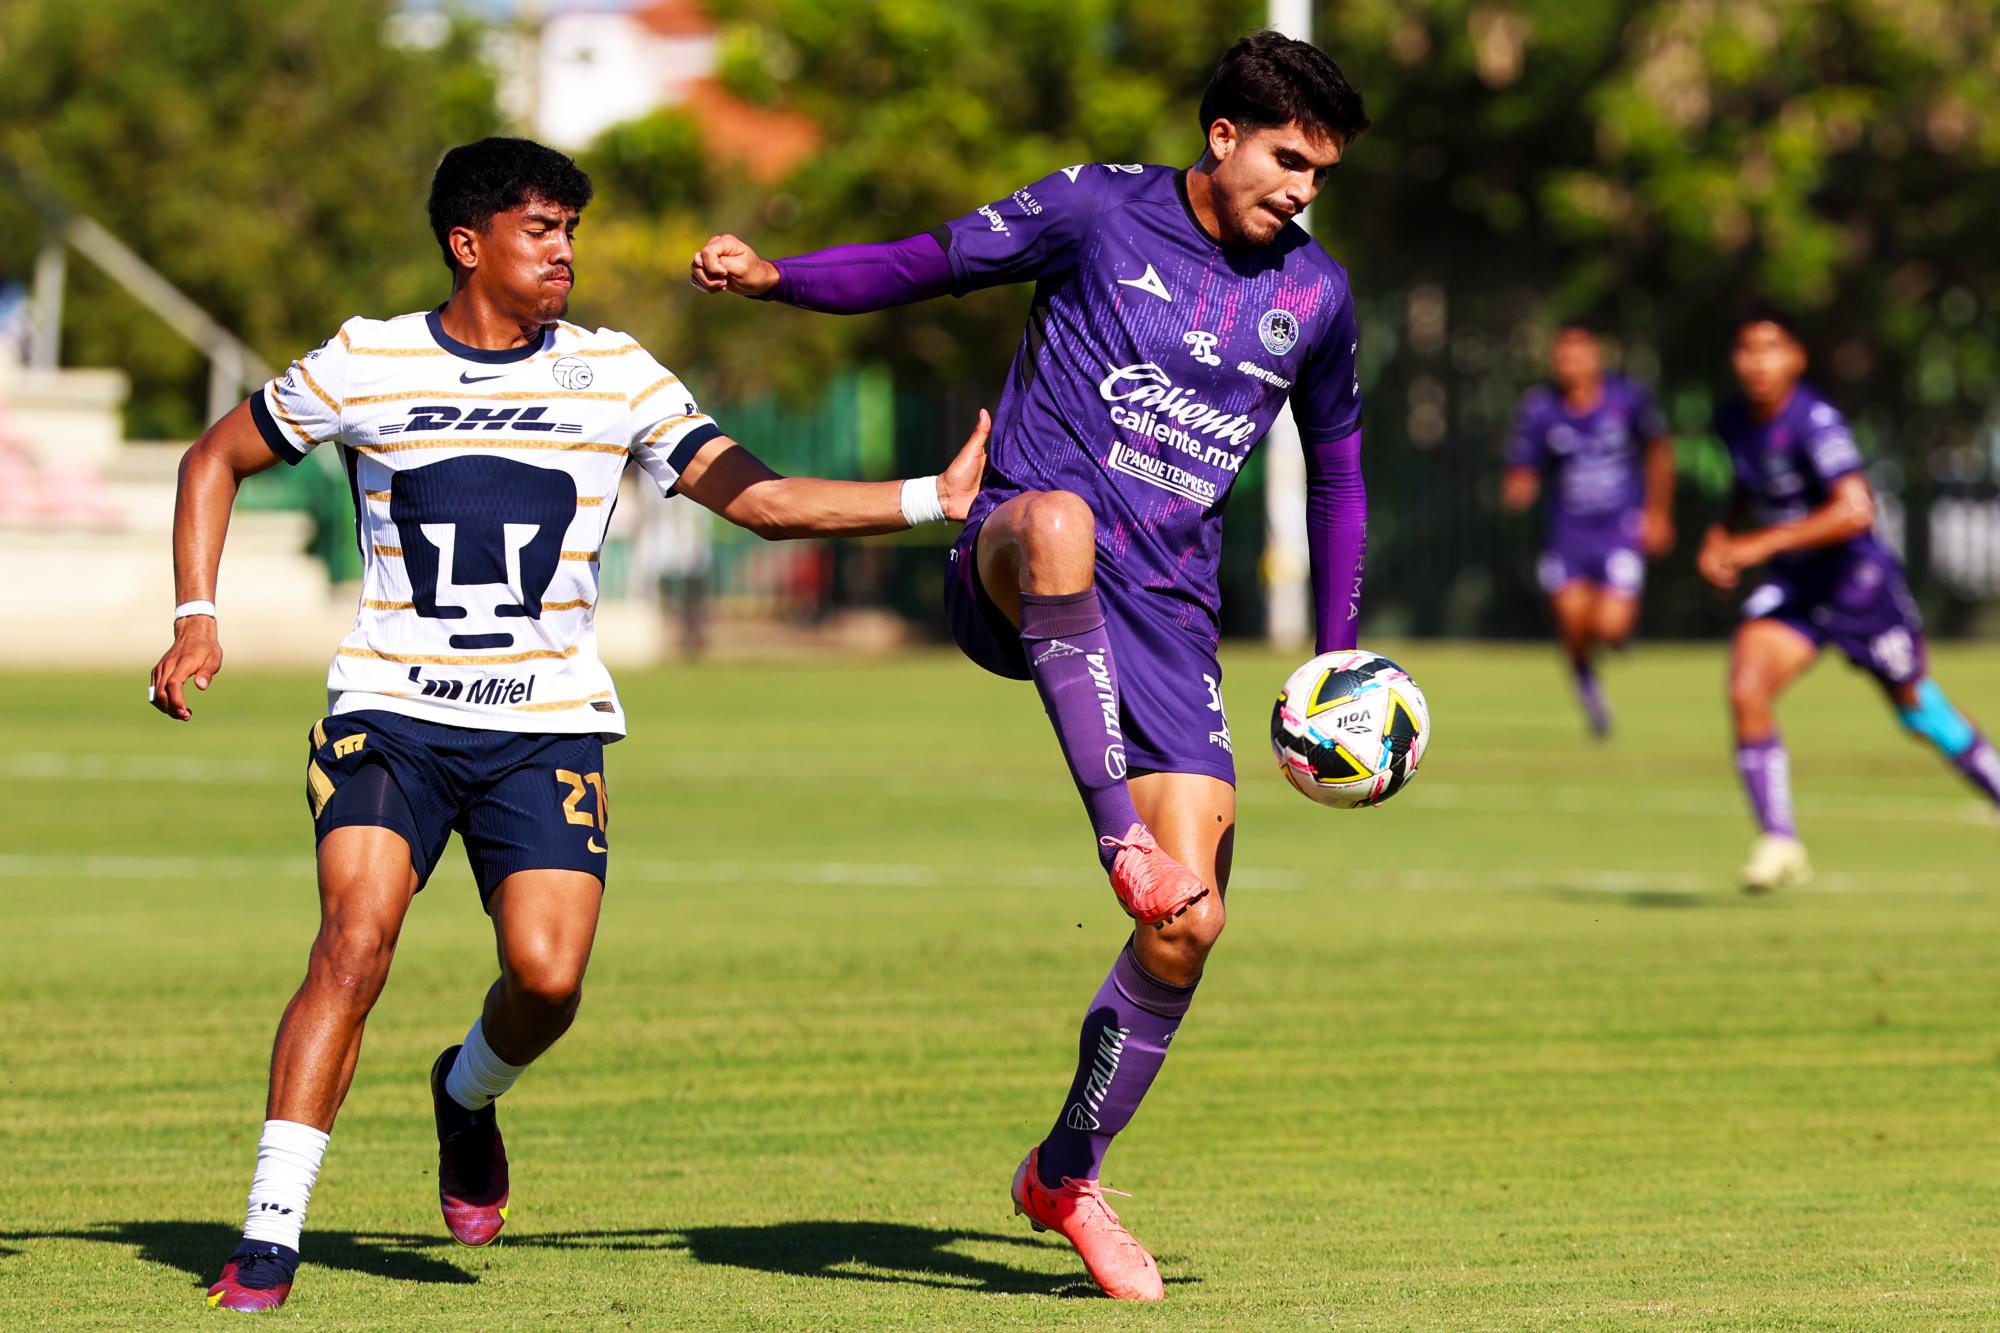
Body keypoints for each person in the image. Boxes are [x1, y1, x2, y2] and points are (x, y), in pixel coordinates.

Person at [148, 136, 987, 1313]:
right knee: (354, 940)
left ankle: (466, 1092)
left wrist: (927, 501)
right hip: (388, 711)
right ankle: (270, 1231)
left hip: (547, 728)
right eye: (541, 230)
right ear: (467, 243)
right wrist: (196, 618)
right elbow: (212, 459)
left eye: (571, 232)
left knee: (545, 982)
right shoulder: (365, 360)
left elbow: (762, 498)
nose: (563, 252)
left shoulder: (616, 374)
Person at [691, 32, 1369, 1301]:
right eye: (1290, 160)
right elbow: (922, 263)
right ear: (1220, 136)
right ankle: (1116, 835)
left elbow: (1335, 473)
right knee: (1057, 520)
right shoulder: (1093, 208)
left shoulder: (1315, 293)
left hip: (1168, 617)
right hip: (1016, 555)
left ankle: (1066, 1170)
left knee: (1188, 928)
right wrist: (777, 278)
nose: (1304, 192)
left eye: (1322, 174)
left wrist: (1336, 657)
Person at [1701, 308, 2000, 891]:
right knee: (1746, 687)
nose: (1757, 362)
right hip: (1794, 587)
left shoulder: (1815, 421)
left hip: (1857, 586)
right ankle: (1780, 841)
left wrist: (1760, 542)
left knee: (1918, 710)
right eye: (1745, 348)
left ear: (1796, 358)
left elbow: (1855, 508)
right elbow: (1747, 482)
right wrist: (1720, 534)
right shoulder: (1733, 419)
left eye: (1771, 348)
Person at [1501, 322, 1674, 736]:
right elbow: (1522, 465)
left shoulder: (1627, 400)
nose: (1569, 363)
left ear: (1597, 356)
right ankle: (1588, 686)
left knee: (1610, 628)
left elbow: (1658, 451)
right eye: (1561, 355)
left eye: (1578, 354)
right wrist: (1520, 485)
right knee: (1573, 624)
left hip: (1619, 530)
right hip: (1567, 536)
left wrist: (1659, 512)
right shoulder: (1540, 409)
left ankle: (1618, 639)